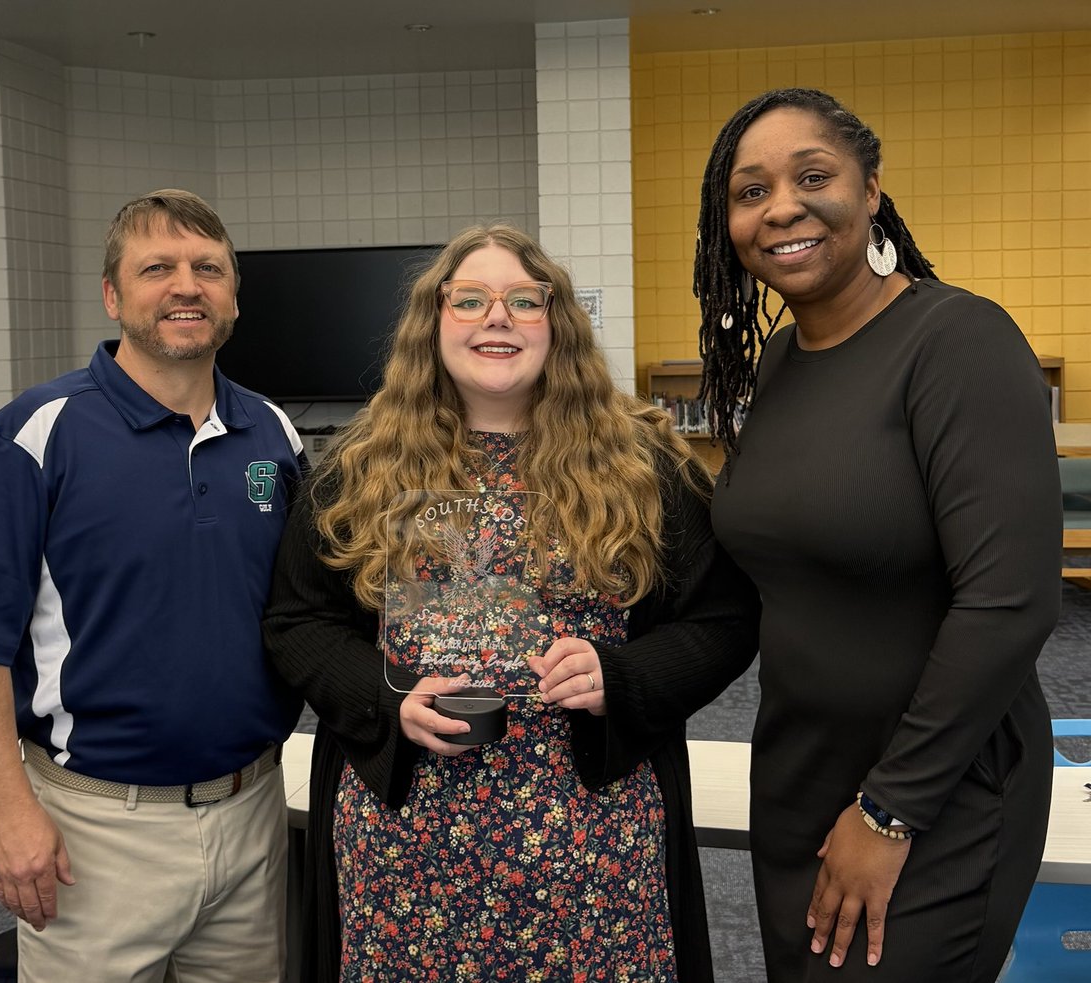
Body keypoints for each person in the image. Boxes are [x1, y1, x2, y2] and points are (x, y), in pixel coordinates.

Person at [262, 224, 760, 981]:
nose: (497, 317)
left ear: (556, 324)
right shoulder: (360, 468)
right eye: (470, 299)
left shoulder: (642, 462)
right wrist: (383, 696)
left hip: (595, 853)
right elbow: (299, 621)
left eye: (523, 300)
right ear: (433, 324)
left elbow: (724, 619)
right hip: (408, 855)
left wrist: (620, 676)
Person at [698, 88, 1062, 981]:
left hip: (935, 786)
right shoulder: (778, 362)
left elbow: (1009, 602)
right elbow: (761, 570)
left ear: (870, 189)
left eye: (811, 175)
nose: (780, 206)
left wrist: (889, 810)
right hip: (797, 774)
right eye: (750, 192)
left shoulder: (956, 341)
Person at [0, 189, 307, 983]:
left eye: (208, 268)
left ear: (232, 295)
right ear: (113, 294)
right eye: (156, 267)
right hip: (95, 831)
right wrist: (8, 808)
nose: (185, 286)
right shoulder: (35, 434)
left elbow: (301, 614)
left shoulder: (274, 432)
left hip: (255, 811)